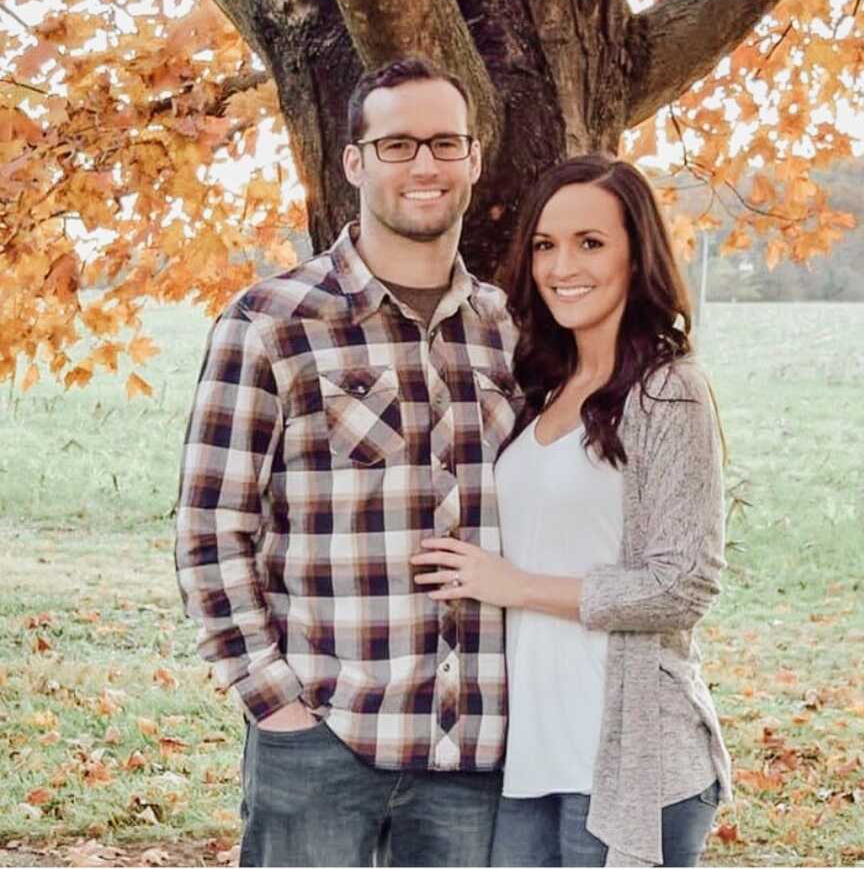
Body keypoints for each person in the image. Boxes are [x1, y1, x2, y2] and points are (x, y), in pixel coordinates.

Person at [175, 57, 521, 867]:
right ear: (355, 161)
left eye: (445, 142)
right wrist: (274, 702)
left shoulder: (508, 331)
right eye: (397, 144)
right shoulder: (272, 322)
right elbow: (210, 528)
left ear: (474, 159)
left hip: (477, 753)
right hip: (323, 737)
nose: (425, 165)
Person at [412, 155, 733, 867]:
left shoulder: (667, 392)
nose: (564, 265)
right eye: (546, 245)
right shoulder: (541, 387)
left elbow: (683, 583)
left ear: (635, 253)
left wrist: (512, 585)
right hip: (528, 757)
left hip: (626, 756)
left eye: (591, 242)